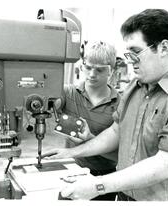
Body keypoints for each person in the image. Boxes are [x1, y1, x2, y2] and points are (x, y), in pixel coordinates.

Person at [43, 9, 168, 201]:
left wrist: (98, 185)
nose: (130, 62)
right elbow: (116, 131)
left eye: (136, 53)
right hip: (125, 196)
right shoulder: (135, 87)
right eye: (128, 54)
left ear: (163, 48)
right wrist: (70, 152)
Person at [54, 41, 121, 200]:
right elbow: (51, 101)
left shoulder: (120, 104)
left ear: (111, 71)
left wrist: (91, 139)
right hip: (71, 172)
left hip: (105, 178)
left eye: (99, 70)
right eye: (88, 67)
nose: (91, 74)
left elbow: (119, 156)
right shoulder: (68, 93)